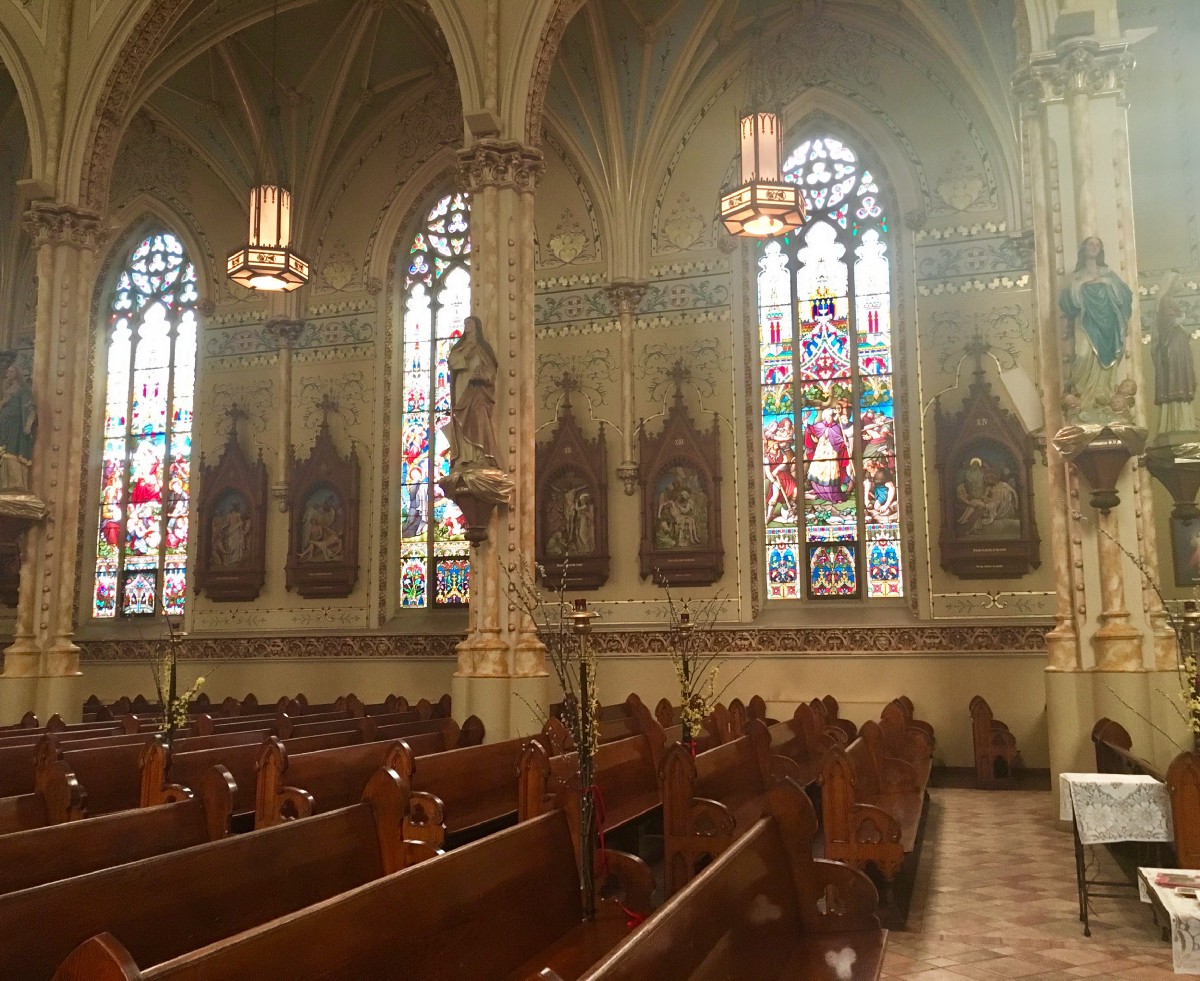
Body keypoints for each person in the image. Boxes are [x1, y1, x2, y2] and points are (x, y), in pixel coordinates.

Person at [1059, 237, 1134, 422]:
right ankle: (1084, 398)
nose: (1094, 247)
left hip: (1108, 325)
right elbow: (1068, 303)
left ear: (1101, 250)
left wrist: (1107, 283)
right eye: (1090, 244)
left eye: (1097, 245)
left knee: (1105, 363)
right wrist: (1080, 284)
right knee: (1083, 355)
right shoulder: (1077, 276)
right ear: (1083, 249)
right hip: (1086, 323)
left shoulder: (1108, 273)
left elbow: (1126, 295)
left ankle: (1104, 396)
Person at [446, 316, 500, 470]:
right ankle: (464, 457)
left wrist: (483, 376)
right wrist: (465, 354)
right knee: (460, 417)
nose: (466, 326)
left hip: (477, 389)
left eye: (469, 323)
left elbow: (490, 369)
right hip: (462, 385)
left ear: (476, 326)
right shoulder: (459, 347)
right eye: (465, 324)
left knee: (478, 415)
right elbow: (452, 362)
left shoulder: (482, 347)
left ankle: (480, 455)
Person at [1152, 277, 1197, 437]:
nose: (1181, 284)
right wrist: (1181, 318)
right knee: (1176, 378)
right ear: (1171, 283)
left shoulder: (1169, 300)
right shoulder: (1166, 300)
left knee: (1181, 378)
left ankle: (1183, 421)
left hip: (1178, 345)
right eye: (1178, 281)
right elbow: (1168, 322)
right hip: (1174, 346)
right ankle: (1175, 422)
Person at [804, 407, 853, 504]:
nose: (829, 418)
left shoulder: (837, 427)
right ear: (824, 416)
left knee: (830, 472)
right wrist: (805, 420)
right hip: (820, 452)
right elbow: (811, 429)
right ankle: (819, 491)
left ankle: (834, 495)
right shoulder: (820, 425)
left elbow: (840, 440)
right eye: (827, 416)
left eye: (830, 416)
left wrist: (845, 443)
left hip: (831, 452)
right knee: (818, 471)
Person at [0, 362, 35, 491]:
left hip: (16, 426)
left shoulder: (23, 390)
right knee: (4, 452)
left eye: (11, 372)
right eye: (7, 372)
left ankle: (16, 484)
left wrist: (27, 424)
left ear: (17, 374)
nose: (8, 374)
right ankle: (5, 484)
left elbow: (28, 408)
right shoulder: (7, 391)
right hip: (5, 426)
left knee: (12, 453)